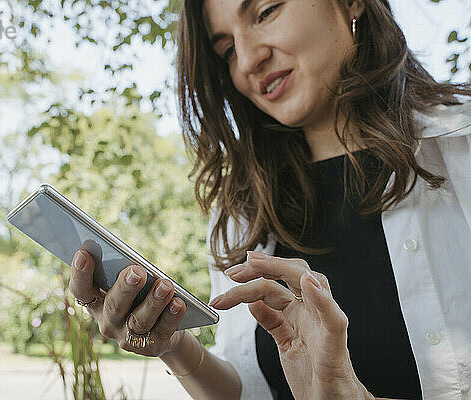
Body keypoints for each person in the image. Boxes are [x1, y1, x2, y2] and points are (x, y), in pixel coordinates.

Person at [68, 0, 471, 398]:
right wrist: (172, 344)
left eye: (265, 13)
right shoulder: (240, 207)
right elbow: (250, 388)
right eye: (226, 50)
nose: (246, 61)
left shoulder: (462, 150)